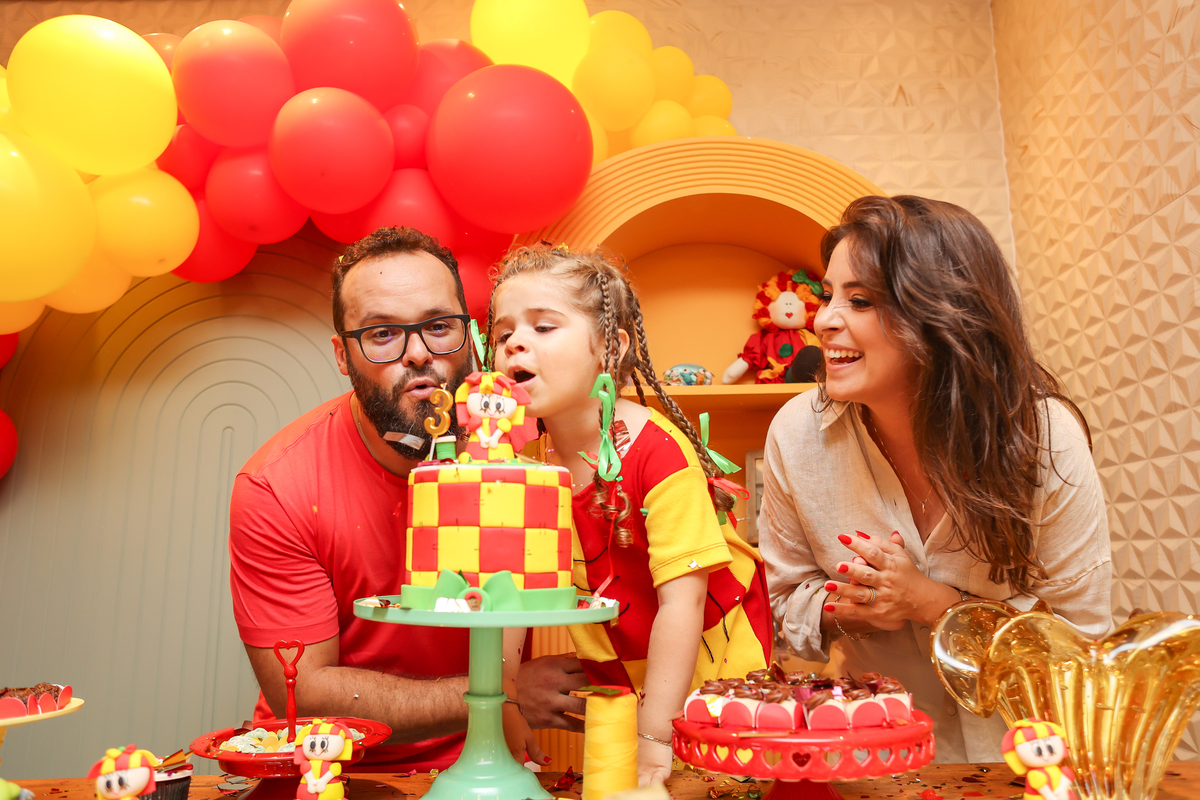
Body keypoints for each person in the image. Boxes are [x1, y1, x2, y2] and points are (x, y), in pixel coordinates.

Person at [758, 196, 1113, 763]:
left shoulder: (1045, 437)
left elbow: (1082, 643)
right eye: (829, 295)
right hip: (872, 763)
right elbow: (773, 606)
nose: (824, 319)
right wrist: (843, 609)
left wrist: (934, 605)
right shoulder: (797, 435)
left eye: (860, 300)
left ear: (941, 311)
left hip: (1029, 763)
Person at [228, 227, 586, 770]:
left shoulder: (532, 439)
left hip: (494, 764)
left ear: (471, 336)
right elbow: (301, 692)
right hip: (336, 771)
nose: (419, 354)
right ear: (342, 356)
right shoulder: (277, 488)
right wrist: (503, 692)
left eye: (439, 327)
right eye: (382, 335)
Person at [488, 245, 773, 785]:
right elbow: (509, 598)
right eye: (503, 336)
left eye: (544, 326)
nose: (515, 345)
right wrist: (505, 704)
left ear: (609, 349)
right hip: (620, 678)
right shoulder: (524, 467)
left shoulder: (657, 454)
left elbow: (682, 605)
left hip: (716, 677)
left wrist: (655, 736)